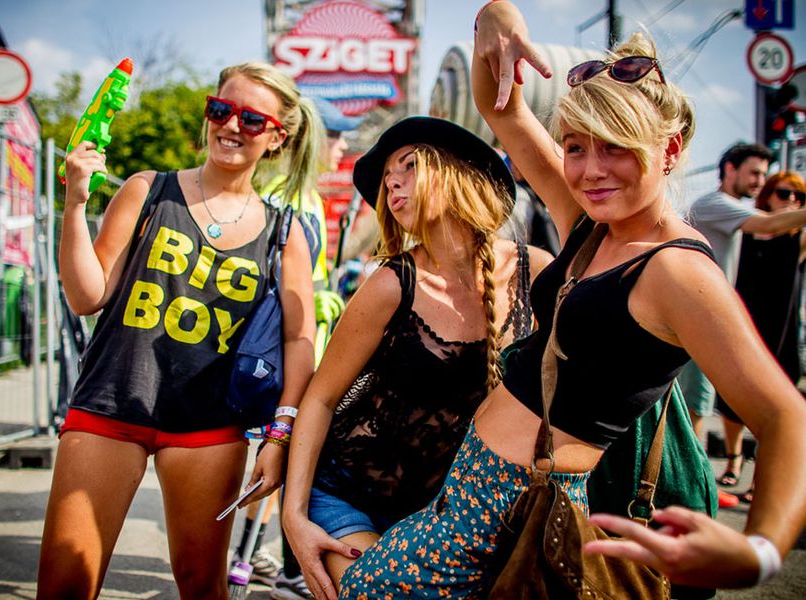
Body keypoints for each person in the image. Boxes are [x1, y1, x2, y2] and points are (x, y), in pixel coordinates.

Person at [333, 2, 806, 596]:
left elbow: (786, 416)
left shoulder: (676, 272)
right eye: (575, 146)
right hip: (471, 493)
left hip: (507, 510)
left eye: (615, 146)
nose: (589, 170)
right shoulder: (592, 224)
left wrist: (759, 552)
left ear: (670, 149)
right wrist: (496, 17)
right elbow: (496, 106)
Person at [37, 61, 319, 600]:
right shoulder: (148, 190)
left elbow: (298, 342)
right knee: (65, 585)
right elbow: (85, 295)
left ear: (277, 138)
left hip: (208, 426)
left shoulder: (287, 232)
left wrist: (281, 436)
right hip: (111, 406)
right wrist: (75, 201)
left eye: (251, 120)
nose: (231, 126)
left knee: (200, 585)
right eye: (221, 109)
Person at [282, 115, 553, 598]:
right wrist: (294, 517)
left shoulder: (537, 272)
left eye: (407, 167)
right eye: (386, 181)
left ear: (458, 173)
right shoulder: (390, 284)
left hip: (455, 513)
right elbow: (321, 399)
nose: (393, 185)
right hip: (349, 496)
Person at [230, 95, 363, 600]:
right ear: (315, 138)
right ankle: (280, 560)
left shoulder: (279, 188)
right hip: (292, 353)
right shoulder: (295, 196)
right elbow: (295, 296)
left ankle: (268, 555)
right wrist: (332, 303)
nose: (343, 146)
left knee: (279, 452)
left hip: (281, 352)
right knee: (287, 451)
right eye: (337, 136)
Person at [679, 144, 806, 504]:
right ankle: (696, 486)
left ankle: (697, 482)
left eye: (764, 175)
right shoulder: (715, 205)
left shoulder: (724, 211)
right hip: (697, 317)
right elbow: (768, 222)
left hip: (705, 319)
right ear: (730, 170)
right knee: (695, 405)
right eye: (754, 173)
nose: (759, 181)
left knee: (697, 404)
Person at [727, 171, 806, 504]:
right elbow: (766, 226)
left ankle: (759, 482)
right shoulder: (743, 231)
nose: (790, 201)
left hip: (780, 335)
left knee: (773, 412)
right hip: (741, 328)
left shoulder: (798, 238)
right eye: (785, 193)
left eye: (798, 198)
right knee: (730, 404)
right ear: (768, 194)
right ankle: (733, 460)